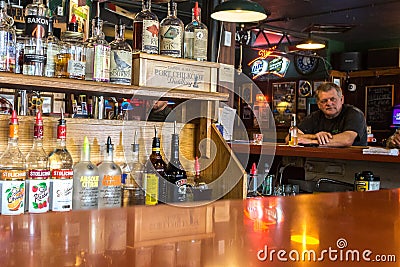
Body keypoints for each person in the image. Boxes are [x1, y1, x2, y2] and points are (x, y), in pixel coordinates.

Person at [286, 82, 367, 147]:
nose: (329, 103)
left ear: (341, 99)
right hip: (322, 161)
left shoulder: (354, 114)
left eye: (333, 99)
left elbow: (347, 140)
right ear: (318, 104)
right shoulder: (315, 116)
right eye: (324, 101)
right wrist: (315, 136)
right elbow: (289, 138)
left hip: (352, 163)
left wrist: (312, 141)